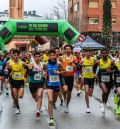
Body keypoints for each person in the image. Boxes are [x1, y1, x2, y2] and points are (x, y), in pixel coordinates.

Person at [46, 50, 65, 126]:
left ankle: (53, 104)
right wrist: (44, 73)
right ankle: (51, 118)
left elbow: (64, 71)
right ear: (49, 56)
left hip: (57, 84)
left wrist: (58, 72)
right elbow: (43, 70)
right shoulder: (46, 64)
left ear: (55, 56)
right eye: (51, 55)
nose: (52, 56)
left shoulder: (59, 64)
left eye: (54, 55)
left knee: (53, 101)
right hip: (49, 84)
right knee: (50, 100)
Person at [5, 49, 27, 114]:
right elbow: (7, 69)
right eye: (15, 55)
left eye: (17, 55)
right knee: (15, 96)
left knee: (20, 96)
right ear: (12, 55)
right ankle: (17, 108)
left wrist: (25, 76)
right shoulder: (9, 63)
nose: (16, 56)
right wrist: (8, 73)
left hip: (20, 81)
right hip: (13, 80)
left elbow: (27, 68)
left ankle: (17, 99)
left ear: (19, 55)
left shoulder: (22, 63)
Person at [60, 45, 77, 113]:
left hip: (71, 76)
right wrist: (62, 69)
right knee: (65, 90)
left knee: (69, 92)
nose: (68, 50)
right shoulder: (61, 57)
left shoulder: (74, 57)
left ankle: (67, 105)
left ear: (71, 50)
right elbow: (59, 65)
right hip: (64, 75)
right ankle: (64, 99)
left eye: (69, 49)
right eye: (66, 49)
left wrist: (74, 65)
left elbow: (76, 66)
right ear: (64, 50)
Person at [98, 49, 114, 115]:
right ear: (101, 54)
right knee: (105, 91)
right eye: (103, 53)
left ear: (108, 54)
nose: (105, 54)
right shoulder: (98, 61)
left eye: (106, 53)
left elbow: (115, 69)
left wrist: (111, 71)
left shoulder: (111, 61)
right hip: (101, 79)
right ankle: (102, 103)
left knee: (107, 94)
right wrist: (94, 75)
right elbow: (94, 68)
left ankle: (104, 105)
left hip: (109, 80)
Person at [28, 51, 44, 117]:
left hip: (40, 82)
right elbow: (29, 73)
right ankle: (36, 99)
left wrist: (44, 73)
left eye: (38, 56)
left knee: (39, 95)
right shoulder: (31, 64)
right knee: (35, 96)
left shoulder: (42, 64)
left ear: (40, 57)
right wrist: (35, 71)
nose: (37, 58)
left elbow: (44, 71)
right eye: (36, 57)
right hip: (32, 83)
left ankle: (38, 111)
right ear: (34, 57)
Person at [81, 48, 96, 113]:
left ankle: (88, 106)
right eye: (87, 52)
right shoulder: (82, 60)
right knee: (86, 91)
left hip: (92, 78)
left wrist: (96, 74)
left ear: (91, 53)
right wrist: (81, 75)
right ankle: (88, 107)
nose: (88, 53)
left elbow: (97, 66)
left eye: (89, 52)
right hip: (86, 77)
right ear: (85, 53)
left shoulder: (94, 59)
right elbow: (79, 67)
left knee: (90, 94)